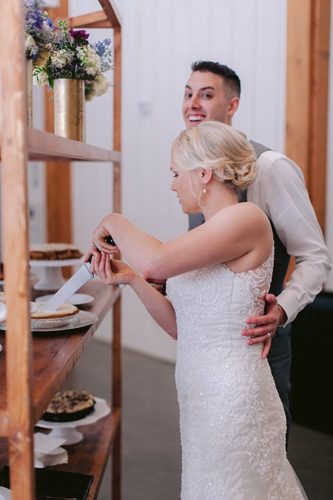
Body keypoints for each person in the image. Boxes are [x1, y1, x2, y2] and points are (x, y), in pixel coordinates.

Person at [87, 121, 307, 499]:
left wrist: (114, 220)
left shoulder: (248, 218)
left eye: (176, 174)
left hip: (233, 401)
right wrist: (132, 279)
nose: (172, 184)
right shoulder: (204, 236)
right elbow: (179, 326)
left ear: (204, 173)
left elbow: (155, 261)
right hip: (198, 396)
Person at [182, 60, 332, 437]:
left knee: (262, 447)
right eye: (187, 94)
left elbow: (316, 256)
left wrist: (282, 309)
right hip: (206, 350)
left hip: (259, 344)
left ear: (232, 106)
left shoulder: (271, 168)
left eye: (206, 94)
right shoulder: (193, 169)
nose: (192, 104)